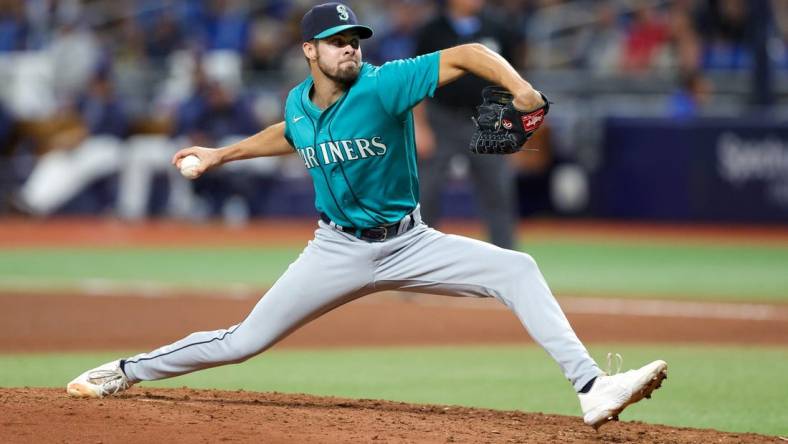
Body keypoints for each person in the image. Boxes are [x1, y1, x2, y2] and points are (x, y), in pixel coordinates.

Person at [66, 3, 667, 430]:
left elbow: (468, 52)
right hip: (336, 250)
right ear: (310, 51)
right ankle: (124, 370)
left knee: (517, 267)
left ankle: (592, 388)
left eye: (355, 37)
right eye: (336, 39)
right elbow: (292, 132)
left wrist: (524, 90)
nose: (350, 46)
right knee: (243, 341)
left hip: (411, 240)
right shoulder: (299, 103)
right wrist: (222, 153)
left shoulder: (385, 86)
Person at [413, 0, 522, 249]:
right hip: (440, 120)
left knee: (498, 193)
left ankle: (506, 262)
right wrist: (419, 126)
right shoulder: (432, 30)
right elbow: (416, 80)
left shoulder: (497, 28)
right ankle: (416, 260)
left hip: (488, 122)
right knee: (425, 194)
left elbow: (514, 79)